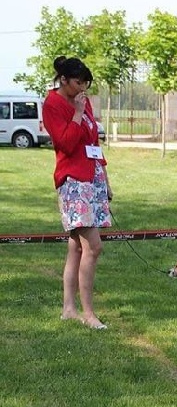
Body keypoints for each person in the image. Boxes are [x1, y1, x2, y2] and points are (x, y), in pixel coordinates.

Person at [42, 56, 112, 330]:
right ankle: (89, 314)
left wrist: (105, 178)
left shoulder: (83, 101)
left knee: (76, 247)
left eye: (86, 83)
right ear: (64, 80)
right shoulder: (53, 105)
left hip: (92, 177)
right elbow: (66, 144)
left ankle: (69, 309)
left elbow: (93, 140)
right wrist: (77, 113)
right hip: (73, 180)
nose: (83, 87)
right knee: (93, 247)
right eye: (78, 82)